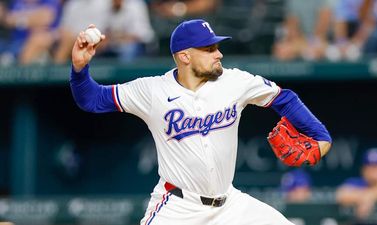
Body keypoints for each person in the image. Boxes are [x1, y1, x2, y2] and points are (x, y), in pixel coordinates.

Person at [69, 19, 332, 225]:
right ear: (185, 56)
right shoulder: (151, 91)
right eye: (209, 49)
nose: (218, 54)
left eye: (217, 47)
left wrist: (322, 137)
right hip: (178, 207)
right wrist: (80, 69)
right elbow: (91, 100)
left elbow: (283, 98)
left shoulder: (235, 81)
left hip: (230, 206)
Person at [336, 147, 377, 219]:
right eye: (370, 166)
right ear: (363, 169)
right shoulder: (355, 183)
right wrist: (370, 195)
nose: (374, 170)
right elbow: (341, 195)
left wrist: (371, 195)